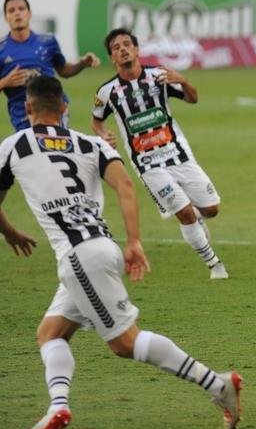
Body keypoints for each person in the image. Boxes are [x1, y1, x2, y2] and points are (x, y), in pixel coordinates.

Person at [0, 75, 242, 429]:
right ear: (64, 107)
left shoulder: (13, 146)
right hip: (103, 247)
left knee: (124, 344)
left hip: (79, 257)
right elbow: (126, 186)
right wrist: (133, 242)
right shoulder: (91, 144)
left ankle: (218, 384)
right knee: (50, 333)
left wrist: (10, 232)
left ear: (27, 108)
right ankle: (57, 408)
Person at [91, 28, 229, 279]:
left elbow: (193, 99)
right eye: (116, 48)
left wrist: (183, 80)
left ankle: (199, 218)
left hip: (178, 154)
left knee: (212, 209)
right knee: (184, 213)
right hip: (146, 163)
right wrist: (103, 134)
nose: (122, 49)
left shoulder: (159, 76)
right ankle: (214, 264)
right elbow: (96, 120)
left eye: (126, 44)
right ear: (112, 57)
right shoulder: (106, 92)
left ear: (136, 49)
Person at [0, 0, 100, 131]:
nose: (17, 13)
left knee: (59, 151)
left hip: (53, 109)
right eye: (11, 10)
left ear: (29, 14)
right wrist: (5, 82)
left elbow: (64, 71)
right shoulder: (1, 49)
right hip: (22, 116)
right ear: (6, 17)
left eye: (21, 9)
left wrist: (83, 63)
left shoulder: (48, 42)